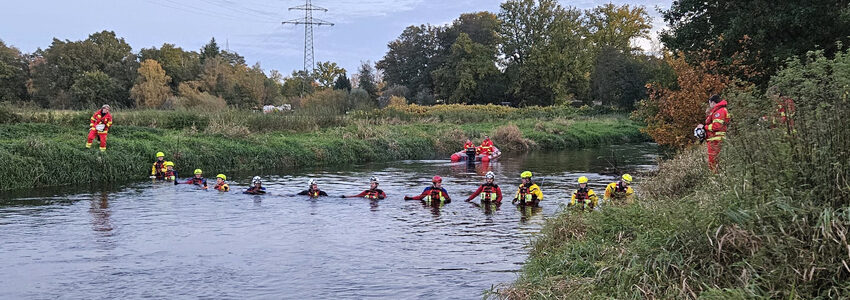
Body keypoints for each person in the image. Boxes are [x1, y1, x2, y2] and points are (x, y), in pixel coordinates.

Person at [696, 94, 730, 172]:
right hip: (717, 139)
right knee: (718, 161)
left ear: (713, 102)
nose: (710, 105)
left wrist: (704, 127)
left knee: (713, 161)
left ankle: (715, 177)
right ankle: (719, 176)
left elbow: (716, 126)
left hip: (715, 140)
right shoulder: (721, 110)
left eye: (710, 103)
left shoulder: (719, 111)